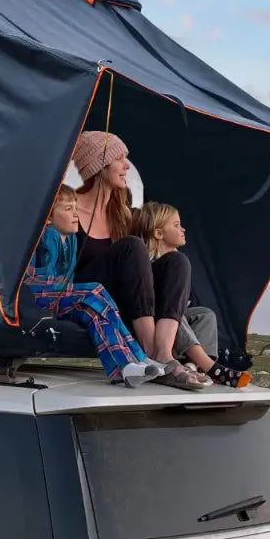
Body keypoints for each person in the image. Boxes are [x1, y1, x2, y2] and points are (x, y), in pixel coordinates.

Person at [71, 131, 205, 391]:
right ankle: (147, 350)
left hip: (120, 297)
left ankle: (163, 352)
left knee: (176, 262)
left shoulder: (123, 215)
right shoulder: (68, 210)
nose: (127, 166)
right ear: (99, 164)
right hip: (84, 294)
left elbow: (148, 258)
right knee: (131, 246)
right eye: (119, 158)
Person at [24, 185, 166, 388]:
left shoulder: (71, 239)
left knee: (93, 313)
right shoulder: (48, 236)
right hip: (38, 295)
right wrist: (72, 293)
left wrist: (73, 296)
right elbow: (45, 279)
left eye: (76, 208)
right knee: (95, 291)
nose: (75, 215)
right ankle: (139, 354)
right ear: (48, 218)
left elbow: (68, 280)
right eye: (67, 209)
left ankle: (124, 368)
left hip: (61, 296)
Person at [129, 201, 252, 388]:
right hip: (154, 320)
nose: (183, 229)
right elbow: (160, 305)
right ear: (159, 233)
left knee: (205, 315)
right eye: (176, 225)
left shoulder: (178, 264)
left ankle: (192, 365)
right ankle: (210, 366)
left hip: (172, 320)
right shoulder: (148, 264)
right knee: (175, 316)